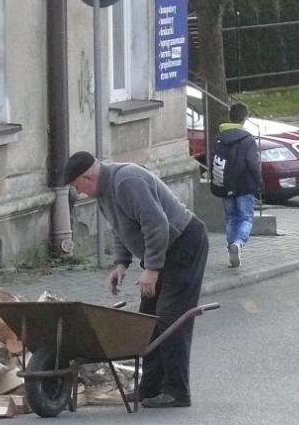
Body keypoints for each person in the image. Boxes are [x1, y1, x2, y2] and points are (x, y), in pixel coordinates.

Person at [63, 151, 208, 409]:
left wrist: (152, 269)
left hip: (184, 243)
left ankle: (177, 391)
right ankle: (149, 388)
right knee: (147, 321)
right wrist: (122, 264)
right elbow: (122, 229)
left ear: (88, 176)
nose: (80, 193)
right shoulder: (104, 193)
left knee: (170, 318)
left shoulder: (126, 181)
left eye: (78, 187)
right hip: (163, 249)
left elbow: (157, 225)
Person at [209, 102, 261, 269]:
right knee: (246, 217)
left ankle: (231, 248)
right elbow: (253, 164)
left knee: (231, 218)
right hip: (244, 185)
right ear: (244, 119)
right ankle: (238, 244)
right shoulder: (247, 139)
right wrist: (259, 183)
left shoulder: (219, 137)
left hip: (224, 183)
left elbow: (211, 161)